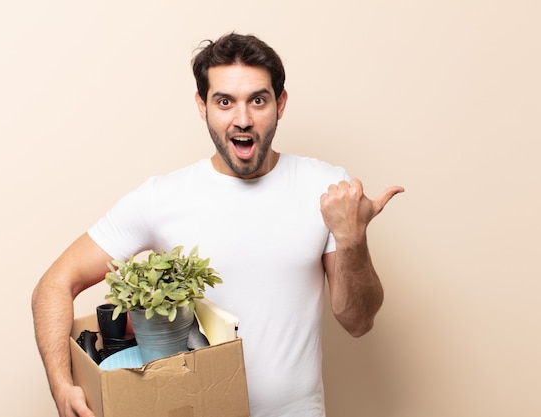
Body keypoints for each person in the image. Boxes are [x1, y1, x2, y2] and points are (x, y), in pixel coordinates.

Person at [32, 32, 404, 417]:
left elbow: (358, 321)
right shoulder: (162, 197)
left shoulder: (324, 188)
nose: (242, 119)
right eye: (224, 101)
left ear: (280, 103)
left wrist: (352, 238)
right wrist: (62, 386)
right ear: (202, 105)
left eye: (257, 100)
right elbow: (54, 284)